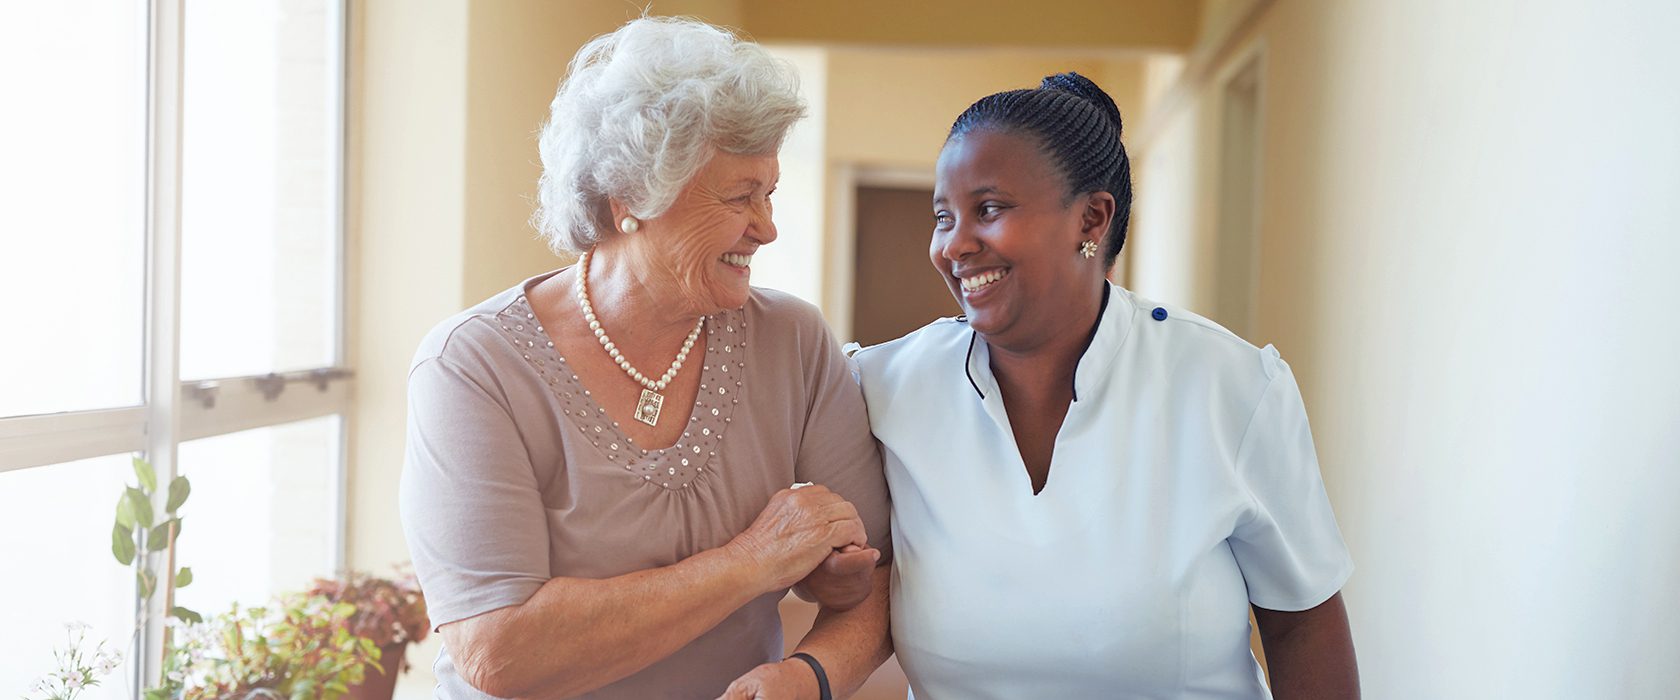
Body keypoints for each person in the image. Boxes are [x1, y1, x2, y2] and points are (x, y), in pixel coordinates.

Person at [399, 18, 891, 699]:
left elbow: (882, 580)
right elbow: (500, 652)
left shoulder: (794, 342)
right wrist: (753, 562)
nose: (768, 227)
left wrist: (810, 675)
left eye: (769, 192)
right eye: (739, 196)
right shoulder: (474, 367)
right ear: (628, 199)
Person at [849, 73, 1360, 698]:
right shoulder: (884, 388)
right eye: (943, 217)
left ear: (1091, 218)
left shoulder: (1228, 387)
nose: (954, 245)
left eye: (988, 210)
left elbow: (1302, 628)